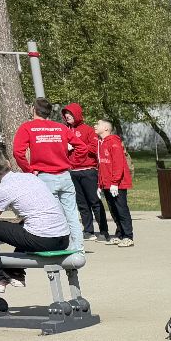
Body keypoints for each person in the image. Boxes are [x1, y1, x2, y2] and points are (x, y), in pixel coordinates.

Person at [0, 145, 71, 294]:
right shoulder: (29, 177)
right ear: (8, 163)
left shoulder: (4, 188)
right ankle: (15, 272)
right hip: (63, 238)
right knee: (25, 224)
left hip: (43, 240)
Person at [11, 97, 82, 250]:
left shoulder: (27, 127)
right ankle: (78, 248)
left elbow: (18, 152)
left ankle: (58, 249)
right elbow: (81, 147)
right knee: (72, 215)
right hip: (65, 175)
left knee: (52, 215)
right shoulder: (60, 128)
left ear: (33, 109)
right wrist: (71, 162)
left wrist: (28, 170)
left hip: (44, 177)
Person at [62, 103, 108, 242]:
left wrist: (75, 146)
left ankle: (103, 231)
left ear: (77, 114)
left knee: (95, 201)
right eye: (65, 114)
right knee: (81, 203)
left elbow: (94, 148)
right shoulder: (64, 130)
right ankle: (88, 230)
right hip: (73, 171)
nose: (67, 116)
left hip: (88, 170)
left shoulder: (88, 130)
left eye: (70, 113)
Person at [94, 119, 134, 247]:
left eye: (98, 124)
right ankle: (120, 234)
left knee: (121, 209)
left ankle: (128, 236)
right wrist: (100, 185)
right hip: (106, 184)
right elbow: (101, 165)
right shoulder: (101, 143)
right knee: (113, 210)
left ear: (106, 128)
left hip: (117, 184)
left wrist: (115, 182)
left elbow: (118, 163)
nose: (95, 126)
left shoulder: (113, 142)